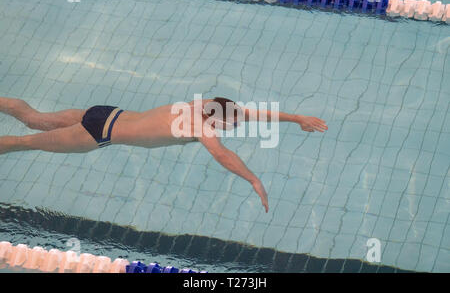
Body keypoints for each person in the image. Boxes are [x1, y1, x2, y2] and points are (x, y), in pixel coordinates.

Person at [0, 96, 328, 212]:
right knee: (23, 143)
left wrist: (297, 118)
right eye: (228, 125)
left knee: (34, 118)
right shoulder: (203, 129)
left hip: (105, 112)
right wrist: (254, 180)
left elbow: (254, 113)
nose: (230, 128)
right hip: (99, 132)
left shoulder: (203, 106)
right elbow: (222, 155)